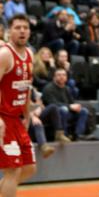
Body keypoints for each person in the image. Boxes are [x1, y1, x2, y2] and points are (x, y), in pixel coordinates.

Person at [0, 15, 36, 196]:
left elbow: (26, 86)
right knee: (12, 171)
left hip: (17, 119)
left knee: (29, 168)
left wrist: (27, 114)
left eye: (25, 27)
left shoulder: (30, 54)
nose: (22, 31)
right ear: (9, 31)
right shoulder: (5, 55)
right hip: (3, 119)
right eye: (17, 27)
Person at [42, 68, 89, 140]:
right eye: (59, 75)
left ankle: (78, 135)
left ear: (66, 78)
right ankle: (64, 135)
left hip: (67, 111)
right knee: (63, 109)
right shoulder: (48, 88)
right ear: (54, 77)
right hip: (53, 115)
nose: (62, 77)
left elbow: (71, 102)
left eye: (64, 75)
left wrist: (76, 107)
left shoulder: (67, 88)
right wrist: (70, 106)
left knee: (84, 111)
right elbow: (53, 104)